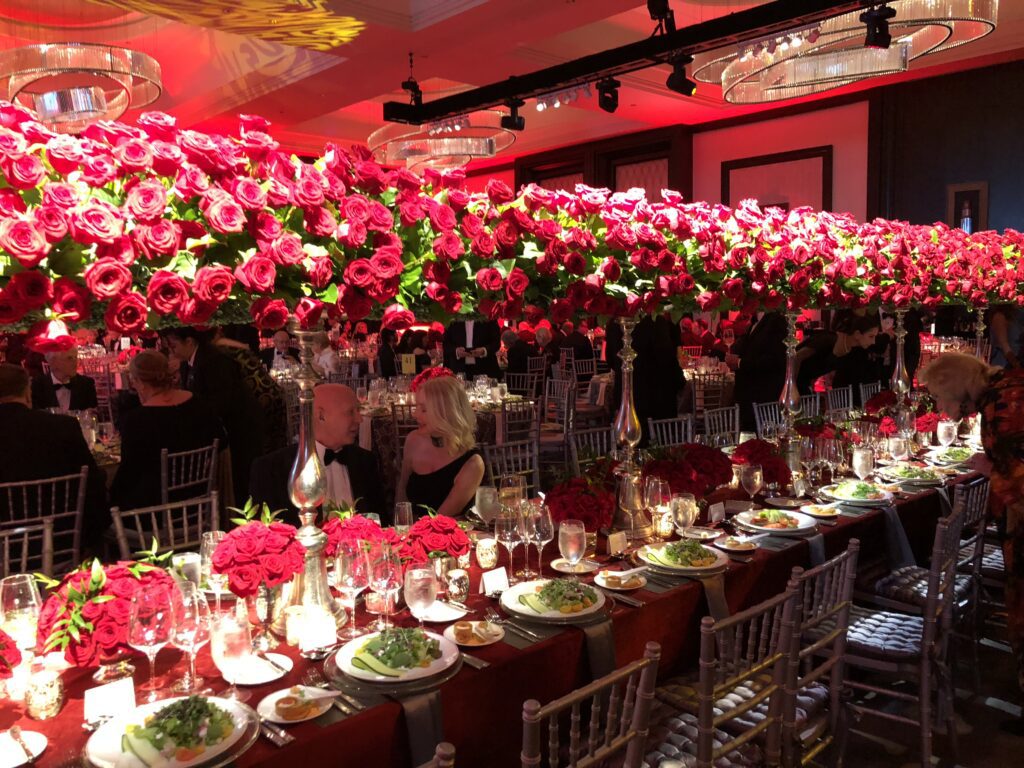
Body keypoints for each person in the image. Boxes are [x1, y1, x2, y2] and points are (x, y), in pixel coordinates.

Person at [919, 352, 1024, 727]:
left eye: (940, 398)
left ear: (959, 389)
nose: (940, 407)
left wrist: (989, 468)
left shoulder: (1004, 405)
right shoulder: (1003, 393)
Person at [0, 364, 108, 552]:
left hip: (6, 549)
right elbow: (92, 481)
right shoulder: (63, 426)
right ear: (27, 391)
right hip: (64, 539)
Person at [249, 384, 385, 523]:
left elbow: (381, 522)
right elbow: (262, 533)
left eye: (359, 410)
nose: (360, 419)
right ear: (321, 416)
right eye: (351, 412)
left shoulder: (366, 462)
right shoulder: (271, 470)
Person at [110, 351, 225, 510]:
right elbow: (221, 441)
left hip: (153, 511)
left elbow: (129, 473)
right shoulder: (197, 403)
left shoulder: (136, 420)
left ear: (141, 383)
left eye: (133, 380)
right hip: (198, 501)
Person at [164, 327, 263, 504]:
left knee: (242, 478)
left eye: (173, 345)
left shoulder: (214, 361)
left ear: (189, 341)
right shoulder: (188, 363)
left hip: (239, 426)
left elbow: (221, 402)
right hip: (221, 428)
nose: (171, 350)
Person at [398, 374, 484, 518]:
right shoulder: (413, 440)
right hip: (409, 533)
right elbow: (401, 492)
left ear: (446, 413)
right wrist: (399, 528)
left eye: (424, 410)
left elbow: (440, 519)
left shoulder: (472, 463)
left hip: (444, 536)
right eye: (416, 407)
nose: (415, 414)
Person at [213, 325, 287, 453]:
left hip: (264, 399)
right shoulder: (237, 348)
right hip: (270, 393)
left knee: (267, 447)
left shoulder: (222, 349)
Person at [794, 312, 881, 394]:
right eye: (871, 336)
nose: (873, 342)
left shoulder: (849, 350)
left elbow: (816, 369)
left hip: (803, 383)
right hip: (788, 378)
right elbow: (796, 357)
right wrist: (792, 386)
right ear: (857, 334)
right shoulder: (830, 340)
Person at [732, 312, 789, 431]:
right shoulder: (754, 321)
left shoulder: (776, 320)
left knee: (764, 436)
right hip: (747, 396)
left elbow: (774, 360)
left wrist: (739, 363)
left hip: (763, 394)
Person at [31, 347, 98, 412]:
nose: (75, 362)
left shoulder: (86, 384)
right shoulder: (37, 385)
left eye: (76, 358)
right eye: (70, 358)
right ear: (54, 363)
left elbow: (95, 416)